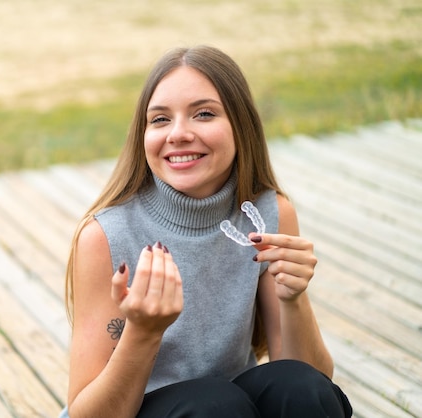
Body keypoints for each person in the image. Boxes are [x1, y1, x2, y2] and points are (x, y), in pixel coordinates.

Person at [61, 45, 352, 418]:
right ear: (143, 134)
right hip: (146, 410)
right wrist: (143, 331)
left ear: (240, 125)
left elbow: (313, 383)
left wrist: (293, 298)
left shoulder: (269, 214)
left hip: (232, 406)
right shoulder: (105, 235)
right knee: (214, 406)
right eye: (160, 119)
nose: (179, 134)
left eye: (203, 114)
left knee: (303, 388)